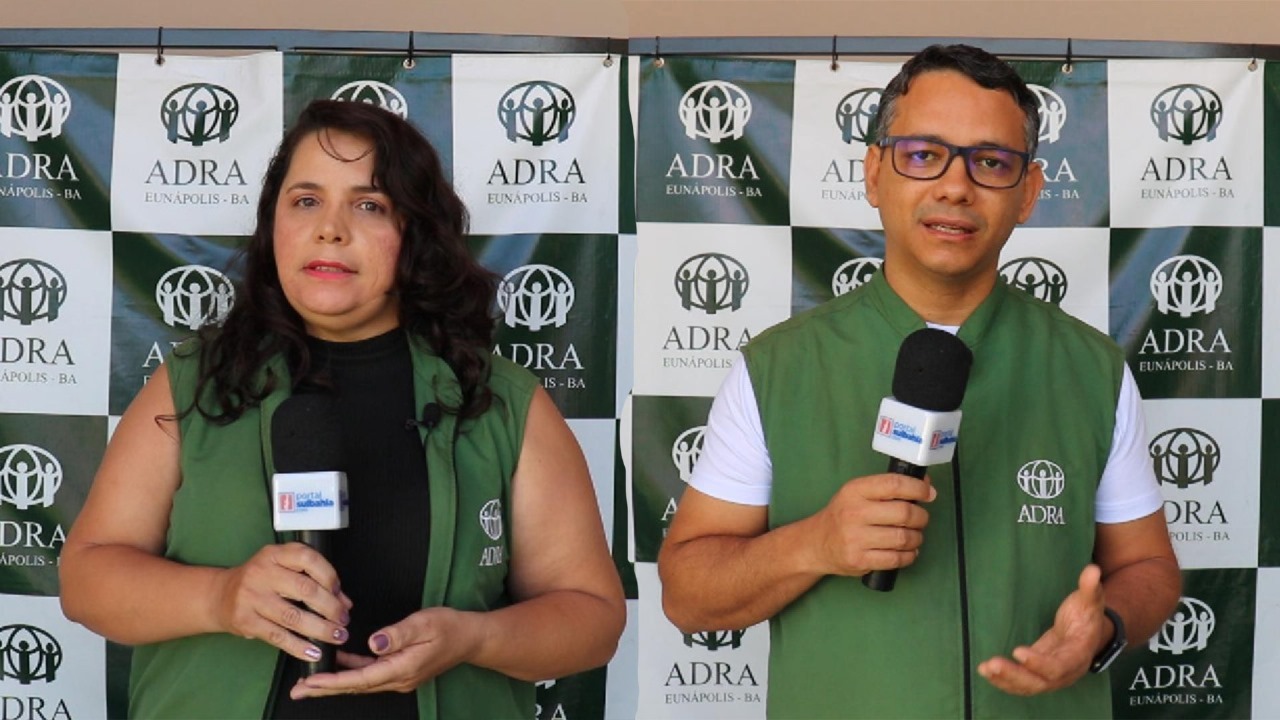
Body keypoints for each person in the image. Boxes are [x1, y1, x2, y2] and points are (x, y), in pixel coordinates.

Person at [657, 44, 1180, 719]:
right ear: (875, 173)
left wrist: (1104, 626)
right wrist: (814, 544)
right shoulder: (778, 368)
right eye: (924, 154)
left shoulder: (1091, 368)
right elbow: (688, 594)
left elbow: (1148, 569)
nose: (956, 187)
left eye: (990, 162)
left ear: (1028, 192)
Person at [59, 99, 625, 719]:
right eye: (306, 201)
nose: (330, 228)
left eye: (369, 205)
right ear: (273, 224)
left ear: (415, 234)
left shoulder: (502, 401)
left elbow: (593, 620)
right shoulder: (193, 382)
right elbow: (86, 581)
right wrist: (220, 597)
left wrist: (475, 638)